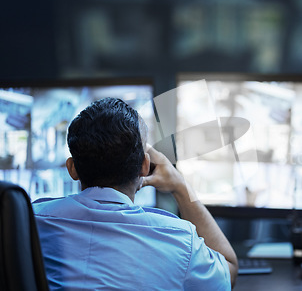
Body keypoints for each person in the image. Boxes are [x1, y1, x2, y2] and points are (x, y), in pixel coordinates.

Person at [33, 98, 238, 290]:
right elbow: (228, 272)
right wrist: (181, 187)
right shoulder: (179, 239)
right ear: (144, 166)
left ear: (72, 168)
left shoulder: (29, 222)